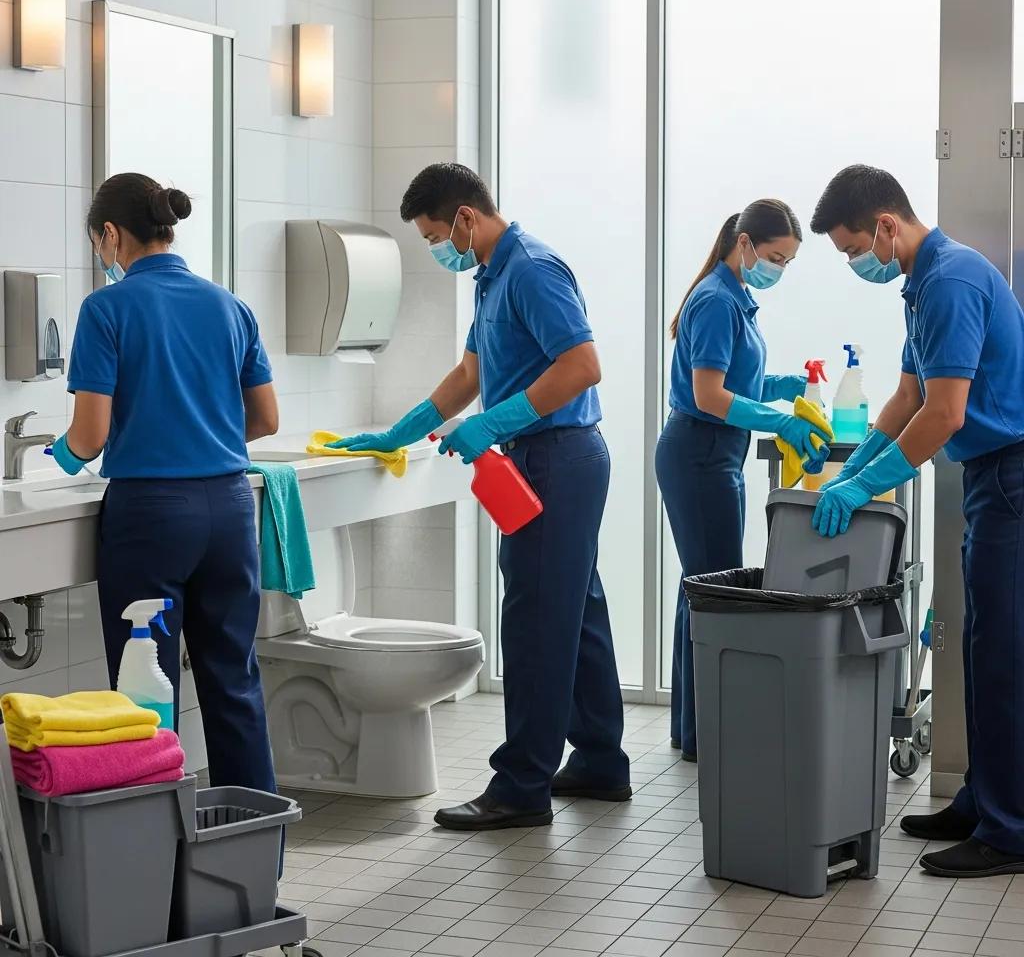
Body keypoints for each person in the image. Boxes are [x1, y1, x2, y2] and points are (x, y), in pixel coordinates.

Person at [336, 162, 629, 829]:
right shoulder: (493, 276)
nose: (439, 249)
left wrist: (494, 422)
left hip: (557, 458)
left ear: (466, 217)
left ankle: (521, 787)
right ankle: (601, 762)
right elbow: (471, 371)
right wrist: (401, 433)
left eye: (437, 234)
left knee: (534, 621)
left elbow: (583, 366)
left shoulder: (531, 268)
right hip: (544, 459)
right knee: (577, 613)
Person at [810, 163, 1024, 877]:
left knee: (1005, 657)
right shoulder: (922, 285)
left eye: (851, 250)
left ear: (886, 227)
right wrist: (854, 467)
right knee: (978, 645)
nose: (853, 263)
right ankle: (984, 801)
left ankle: (1010, 829)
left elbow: (946, 413)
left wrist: (869, 484)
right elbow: (907, 395)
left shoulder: (952, 281)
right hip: (992, 479)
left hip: (1013, 475)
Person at [52, 172, 280, 795]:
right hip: (230, 511)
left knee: (144, 693)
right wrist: (203, 432)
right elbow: (265, 419)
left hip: (151, 515)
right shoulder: (230, 306)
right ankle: (256, 867)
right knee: (234, 682)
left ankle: (155, 868)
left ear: (110, 234)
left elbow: (90, 435)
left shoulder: (106, 308)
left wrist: (63, 455)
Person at [656, 200, 825, 762]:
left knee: (704, 589)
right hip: (699, 455)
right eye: (776, 256)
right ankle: (707, 732)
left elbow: (737, 377)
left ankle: (696, 729)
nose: (778, 268)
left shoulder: (736, 299)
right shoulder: (714, 300)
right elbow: (709, 395)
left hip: (714, 455)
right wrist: (779, 421)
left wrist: (788, 384)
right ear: (745, 242)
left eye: (787, 262)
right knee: (715, 594)